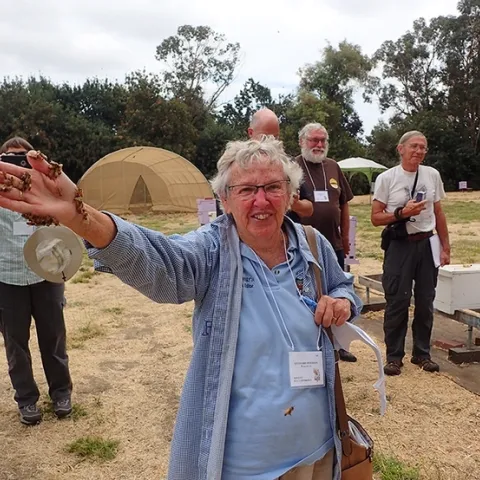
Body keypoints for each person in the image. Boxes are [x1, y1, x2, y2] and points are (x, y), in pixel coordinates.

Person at [0, 137, 362, 479]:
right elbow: (162, 263)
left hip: (318, 451)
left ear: (290, 192)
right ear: (224, 198)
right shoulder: (211, 251)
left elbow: (343, 286)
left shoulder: (312, 246)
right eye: (247, 190)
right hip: (244, 465)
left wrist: (343, 301)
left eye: (272, 187)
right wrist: (81, 217)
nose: (261, 201)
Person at [0, 137, 73, 425]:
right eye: (9, 158)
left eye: (22, 159)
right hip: (6, 276)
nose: (16, 165)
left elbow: (66, 224)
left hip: (47, 272)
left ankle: (61, 393)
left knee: (53, 336)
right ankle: (26, 400)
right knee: (15, 344)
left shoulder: (46, 191)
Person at [371, 131, 450, 376]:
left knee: (426, 301)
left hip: (427, 243)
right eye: (413, 146)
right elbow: (375, 218)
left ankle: (422, 354)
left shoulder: (432, 175)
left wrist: (445, 247)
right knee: (397, 300)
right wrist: (401, 214)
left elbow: (438, 213)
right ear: (400, 149)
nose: (418, 151)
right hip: (400, 245)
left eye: (423, 147)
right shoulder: (387, 178)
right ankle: (394, 356)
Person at [294, 123, 357, 363]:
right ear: (302, 142)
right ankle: (313, 344)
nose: (319, 145)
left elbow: (344, 203)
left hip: (334, 244)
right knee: (307, 294)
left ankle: (341, 344)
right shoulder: (293, 167)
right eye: (314, 140)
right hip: (304, 245)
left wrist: (346, 237)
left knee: (340, 294)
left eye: (323, 140)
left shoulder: (333, 167)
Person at [216, 108, 313, 221]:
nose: (271, 142)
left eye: (275, 137)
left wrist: (293, 203)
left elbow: (309, 209)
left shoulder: (287, 164)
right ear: (250, 133)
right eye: (247, 189)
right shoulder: (234, 164)